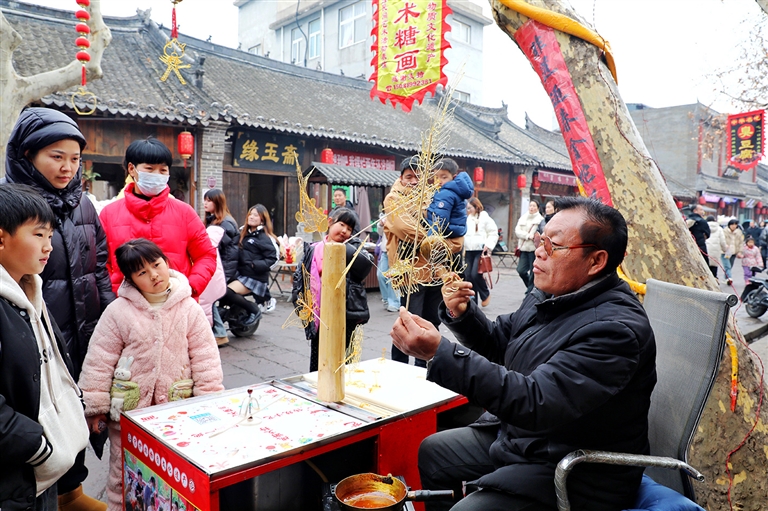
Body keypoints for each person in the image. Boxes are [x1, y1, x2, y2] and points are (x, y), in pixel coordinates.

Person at [391, 197, 657, 511]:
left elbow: (536, 402)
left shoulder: (615, 330)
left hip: (576, 467)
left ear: (596, 261)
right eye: (540, 240)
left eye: (553, 245)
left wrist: (439, 353)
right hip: (529, 439)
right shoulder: (550, 293)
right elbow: (500, 342)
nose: (539, 251)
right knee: (435, 451)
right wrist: (463, 314)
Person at [4, 107, 114, 510]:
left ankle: (71, 494)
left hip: (80, 333)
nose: (68, 167)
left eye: (75, 159)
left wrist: (109, 323)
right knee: (36, 415)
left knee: (73, 408)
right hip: (29, 335)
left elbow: (99, 269)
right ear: (27, 154)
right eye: (56, 156)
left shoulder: (84, 205)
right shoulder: (13, 207)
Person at [78, 238, 224, 511]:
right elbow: (100, 359)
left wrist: (209, 400)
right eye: (142, 272)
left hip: (177, 411)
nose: (154, 275)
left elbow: (205, 357)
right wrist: (95, 407)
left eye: (157, 265)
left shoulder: (188, 308)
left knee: (175, 475)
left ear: (166, 263)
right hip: (129, 414)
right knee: (123, 475)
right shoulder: (118, 311)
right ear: (131, 280)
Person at [0, 183, 90, 511]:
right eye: (38, 235)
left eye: (50, 236)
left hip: (41, 474)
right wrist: (37, 446)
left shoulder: (30, 290)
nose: (48, 246)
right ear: (1, 238)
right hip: (17, 475)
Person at [99, 138, 216, 298]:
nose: (157, 175)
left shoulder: (185, 212)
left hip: (177, 304)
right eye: (150, 169)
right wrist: (112, 294)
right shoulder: (109, 214)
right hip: (125, 305)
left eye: (163, 170)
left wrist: (189, 288)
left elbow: (206, 255)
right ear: (132, 169)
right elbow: (99, 263)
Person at [383, 156, 463, 367]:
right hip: (411, 272)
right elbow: (404, 228)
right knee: (408, 322)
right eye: (409, 176)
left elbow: (457, 234)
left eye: (418, 177)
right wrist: (438, 239)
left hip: (435, 270)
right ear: (401, 177)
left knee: (431, 322)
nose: (413, 181)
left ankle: (424, 367)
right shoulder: (393, 199)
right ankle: (399, 366)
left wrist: (444, 241)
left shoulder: (434, 197)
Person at [291, 207, 374, 372]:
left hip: (345, 313)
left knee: (343, 358)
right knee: (319, 356)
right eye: (341, 224)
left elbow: (366, 264)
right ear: (330, 222)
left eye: (349, 229)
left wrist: (343, 248)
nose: (344, 231)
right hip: (319, 312)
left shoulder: (352, 247)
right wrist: (300, 303)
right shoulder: (313, 249)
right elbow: (300, 278)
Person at [219, 204, 279, 326]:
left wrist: (254, 265)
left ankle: (254, 311)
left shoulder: (265, 237)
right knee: (219, 291)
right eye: (250, 214)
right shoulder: (242, 232)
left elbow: (274, 258)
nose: (251, 217)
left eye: (255, 215)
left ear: (262, 219)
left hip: (254, 278)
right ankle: (225, 317)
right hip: (240, 274)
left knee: (227, 291)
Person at [203, 189, 240, 345]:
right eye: (205, 200)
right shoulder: (214, 220)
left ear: (217, 202)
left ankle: (220, 333)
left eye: (209, 200)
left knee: (207, 298)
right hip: (218, 266)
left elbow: (213, 245)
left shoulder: (225, 223)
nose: (205, 203)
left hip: (224, 268)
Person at [425, 158, 474, 240]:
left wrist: (430, 238)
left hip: (445, 232)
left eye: (444, 177)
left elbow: (441, 218)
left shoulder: (446, 193)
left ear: (453, 177)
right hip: (454, 231)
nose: (439, 181)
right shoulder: (456, 192)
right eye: (436, 177)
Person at [464, 197, 498, 307]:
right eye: (468, 208)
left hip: (480, 250)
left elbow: (493, 233)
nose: (468, 210)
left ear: (476, 207)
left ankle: (485, 294)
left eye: (470, 208)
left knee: (475, 274)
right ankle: (473, 301)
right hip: (469, 250)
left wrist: (488, 245)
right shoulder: (468, 218)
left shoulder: (485, 218)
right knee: (468, 276)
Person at [515, 200, 544, 294]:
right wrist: (527, 236)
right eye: (530, 205)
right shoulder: (523, 218)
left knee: (533, 272)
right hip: (523, 248)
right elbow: (517, 231)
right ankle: (531, 288)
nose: (531, 208)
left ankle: (529, 292)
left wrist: (534, 237)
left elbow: (540, 233)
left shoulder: (540, 220)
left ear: (538, 208)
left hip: (534, 249)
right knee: (521, 270)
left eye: (534, 206)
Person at [377, 214, 400, 313]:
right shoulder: (385, 214)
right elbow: (380, 233)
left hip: (396, 251)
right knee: (380, 275)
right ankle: (386, 299)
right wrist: (381, 224)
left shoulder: (401, 215)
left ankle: (394, 302)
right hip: (385, 251)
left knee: (393, 277)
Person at [723, 218, 744, 286]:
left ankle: (726, 278)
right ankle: (729, 278)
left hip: (734, 252)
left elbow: (741, 243)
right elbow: (721, 240)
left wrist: (740, 251)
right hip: (725, 251)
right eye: (732, 224)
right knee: (727, 266)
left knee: (730, 265)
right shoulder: (724, 231)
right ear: (729, 225)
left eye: (735, 224)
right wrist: (724, 246)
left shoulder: (739, 232)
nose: (734, 226)